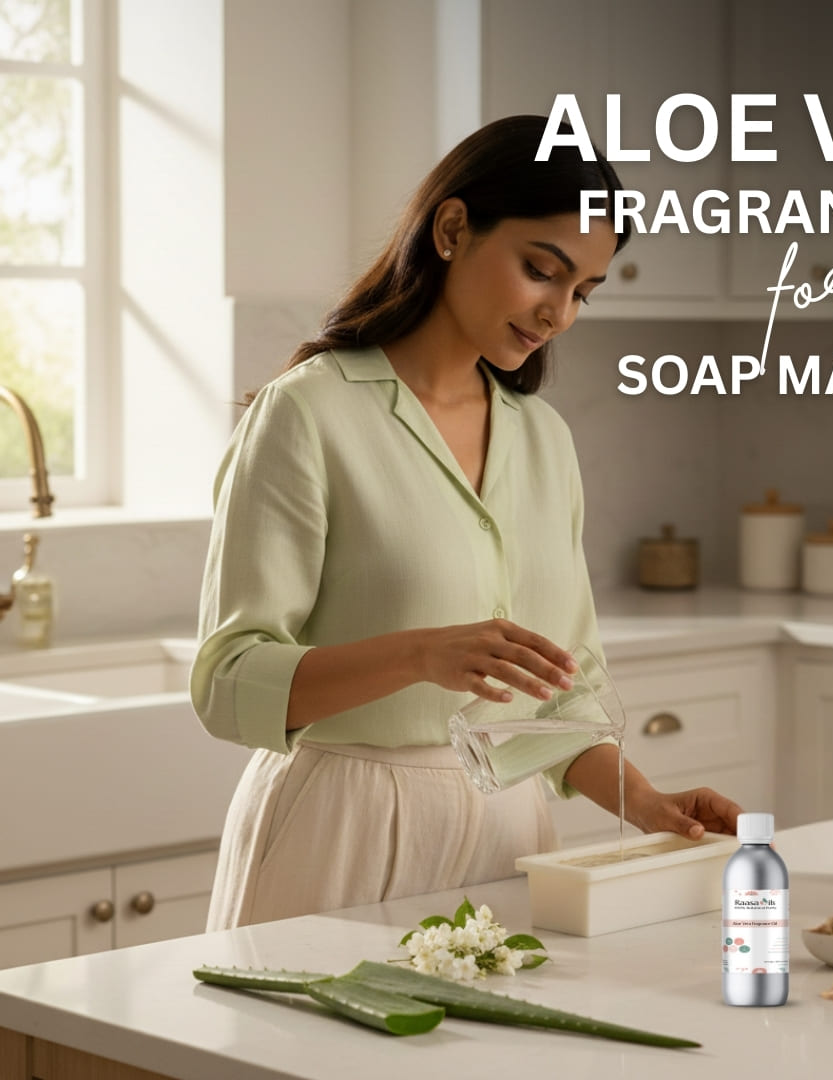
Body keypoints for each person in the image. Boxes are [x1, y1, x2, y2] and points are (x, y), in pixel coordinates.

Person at [191, 114, 742, 930]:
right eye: (540, 271)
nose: (559, 312)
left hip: (507, 832)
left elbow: (563, 694)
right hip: (341, 823)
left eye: (582, 292)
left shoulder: (544, 440)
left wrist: (649, 803)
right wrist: (421, 653)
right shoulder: (307, 413)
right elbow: (228, 680)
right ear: (452, 229)